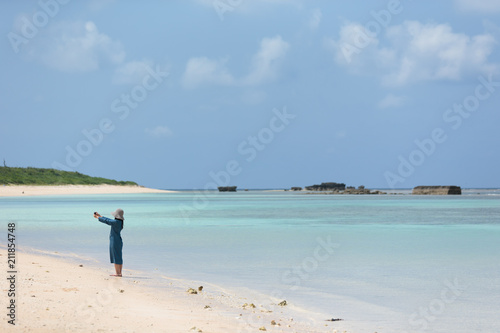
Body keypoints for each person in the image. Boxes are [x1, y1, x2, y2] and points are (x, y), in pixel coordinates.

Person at [93, 209, 124, 277]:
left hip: (115, 241)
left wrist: (98, 217)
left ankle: (117, 273)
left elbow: (108, 221)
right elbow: (109, 220)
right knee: (119, 256)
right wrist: (100, 216)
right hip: (118, 240)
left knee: (116, 256)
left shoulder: (116, 222)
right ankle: (119, 273)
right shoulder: (119, 222)